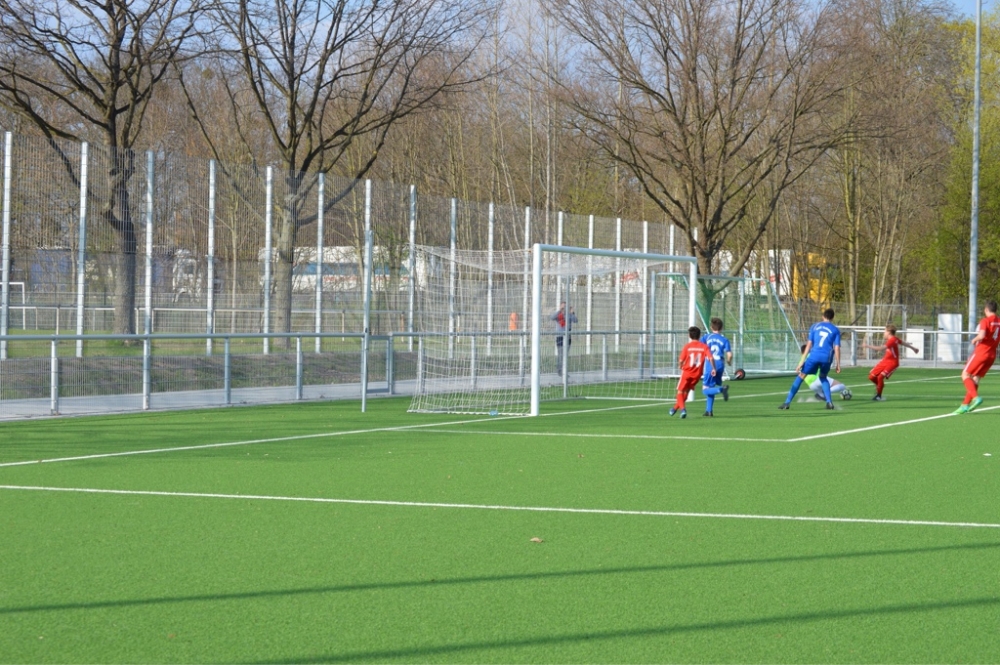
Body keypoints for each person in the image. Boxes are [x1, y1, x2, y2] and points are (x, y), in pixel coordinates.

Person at [780, 308, 841, 410]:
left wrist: (802, 361)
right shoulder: (835, 330)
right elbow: (837, 348)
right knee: (823, 377)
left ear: (823, 316)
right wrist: (838, 364)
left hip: (814, 356)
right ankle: (829, 402)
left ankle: (787, 403)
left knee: (801, 376)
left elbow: (809, 345)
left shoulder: (815, 326)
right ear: (832, 318)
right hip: (826, 357)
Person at [955, 299, 1000, 414]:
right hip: (992, 355)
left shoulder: (985, 321)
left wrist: (974, 339)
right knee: (976, 378)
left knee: (965, 374)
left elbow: (982, 335)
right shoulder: (999, 321)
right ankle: (965, 405)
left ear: (986, 309)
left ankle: (976, 398)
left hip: (981, 352)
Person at [861, 324, 919, 401]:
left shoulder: (892, 340)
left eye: (884, 331)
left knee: (880, 377)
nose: (883, 333)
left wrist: (868, 346)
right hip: (885, 361)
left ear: (888, 332)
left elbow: (881, 348)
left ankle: (878, 396)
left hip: (893, 363)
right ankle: (880, 386)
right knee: (871, 377)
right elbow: (903, 343)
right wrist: (914, 348)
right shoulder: (895, 339)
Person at [670, 326, 713, 419]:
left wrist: (680, 365)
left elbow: (681, 360)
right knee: (686, 392)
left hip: (687, 372)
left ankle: (683, 410)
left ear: (689, 336)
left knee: (680, 391)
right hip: (697, 374)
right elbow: (710, 358)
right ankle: (674, 408)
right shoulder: (704, 347)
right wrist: (713, 368)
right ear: (699, 335)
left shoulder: (687, 346)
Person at [700, 318, 732, 415]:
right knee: (711, 387)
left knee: (705, 389)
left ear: (711, 327)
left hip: (711, 364)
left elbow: (699, 346)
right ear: (721, 328)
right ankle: (709, 411)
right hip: (720, 364)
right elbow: (729, 355)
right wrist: (729, 362)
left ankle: (721, 389)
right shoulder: (724, 340)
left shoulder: (707, 337)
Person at [550, 301, 577, 375]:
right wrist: (559, 310)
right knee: (561, 354)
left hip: (568, 337)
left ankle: (564, 370)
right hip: (560, 337)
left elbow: (575, 320)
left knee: (565, 355)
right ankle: (560, 370)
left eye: (566, 306)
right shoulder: (558, 314)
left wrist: (572, 312)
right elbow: (552, 317)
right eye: (563, 306)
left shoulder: (569, 315)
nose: (564, 308)